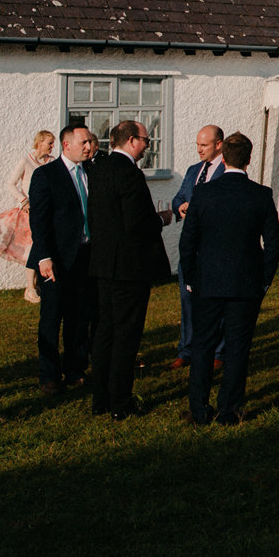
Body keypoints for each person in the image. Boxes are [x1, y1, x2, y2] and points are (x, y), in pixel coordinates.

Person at [178, 132, 279, 426]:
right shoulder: (260, 194)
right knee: (237, 347)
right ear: (249, 160)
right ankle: (229, 410)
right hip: (245, 283)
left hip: (207, 281)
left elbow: (188, 241)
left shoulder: (205, 193)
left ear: (223, 158)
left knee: (202, 345)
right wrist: (265, 280)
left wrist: (191, 277)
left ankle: (199, 410)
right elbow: (272, 244)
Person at [86, 120, 166, 419]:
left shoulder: (99, 169)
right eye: (145, 140)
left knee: (105, 331)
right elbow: (137, 223)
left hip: (104, 263)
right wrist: (162, 219)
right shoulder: (130, 174)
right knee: (126, 335)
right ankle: (120, 402)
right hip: (130, 267)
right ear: (132, 140)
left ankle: (100, 399)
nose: (147, 145)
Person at [28, 123, 97, 395]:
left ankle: (75, 370)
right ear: (66, 144)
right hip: (55, 260)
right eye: (84, 143)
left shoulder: (92, 172)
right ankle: (49, 375)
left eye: (91, 142)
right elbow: (39, 220)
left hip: (85, 255)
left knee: (80, 317)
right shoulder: (46, 175)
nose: (89, 147)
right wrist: (44, 257)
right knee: (51, 317)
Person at [170, 124, 226, 369]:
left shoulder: (227, 171)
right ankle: (187, 349)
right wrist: (180, 207)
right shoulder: (194, 170)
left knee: (216, 301)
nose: (199, 150)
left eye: (204, 145)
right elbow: (179, 197)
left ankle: (218, 352)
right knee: (187, 298)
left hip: (213, 245)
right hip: (190, 245)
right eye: (197, 144)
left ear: (218, 145)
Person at [0, 130, 53, 304]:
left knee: (42, 245)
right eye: (49, 142)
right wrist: (23, 201)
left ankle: (36, 284)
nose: (51, 146)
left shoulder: (52, 161)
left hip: (47, 210)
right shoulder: (26, 161)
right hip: (30, 211)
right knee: (32, 247)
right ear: (39, 142)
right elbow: (11, 184)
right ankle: (30, 287)